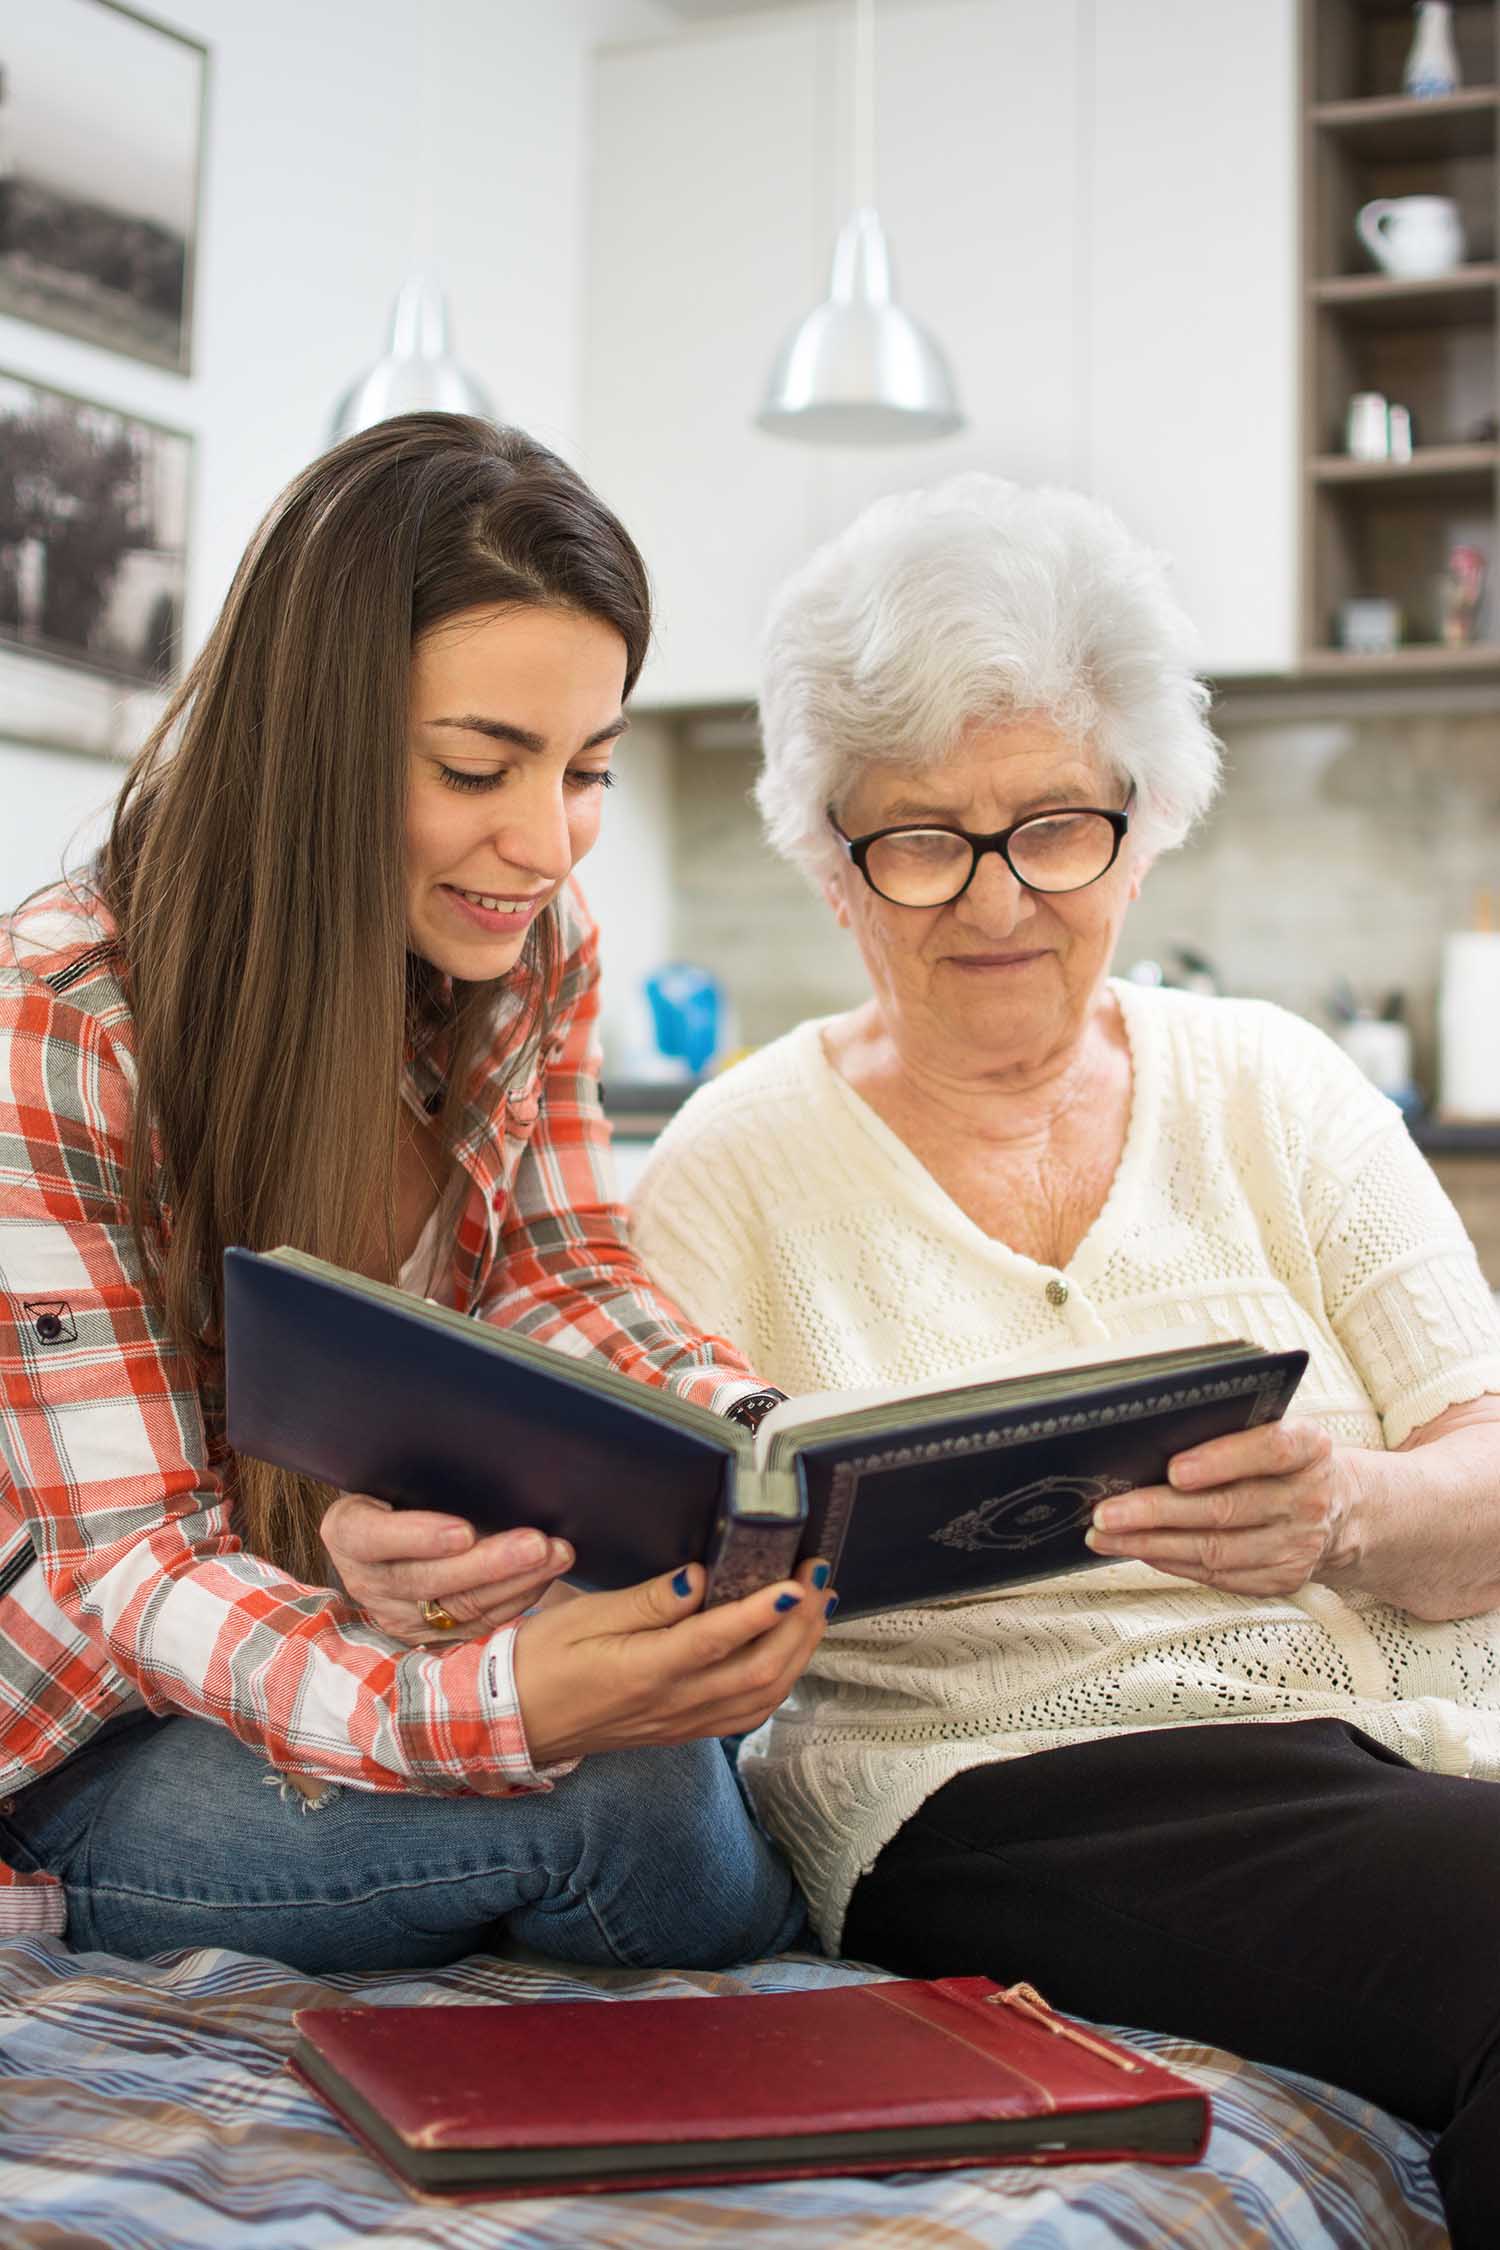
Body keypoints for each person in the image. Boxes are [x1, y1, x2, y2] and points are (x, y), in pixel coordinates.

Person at [615, 478, 1499, 2247]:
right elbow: (655, 1570)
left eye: (1054, 826)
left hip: (1410, 1747)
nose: (997, 897)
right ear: (832, 860)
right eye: (922, 838)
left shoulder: (1279, 1082)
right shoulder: (726, 1166)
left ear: (1146, 823)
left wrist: (1347, 1510)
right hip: (1001, 1788)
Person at [0, 414, 828, 1977]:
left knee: (715, 1705)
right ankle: (847, 2053)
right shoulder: (61, 1016)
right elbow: (136, 1567)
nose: (544, 842)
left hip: (340, 1635)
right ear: (309, 743)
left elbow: (564, 1274)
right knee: (636, 1789)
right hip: (93, 1739)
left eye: (587, 768)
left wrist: (763, 1446)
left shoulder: (523, 946)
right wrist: (504, 1704)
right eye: (476, 767)